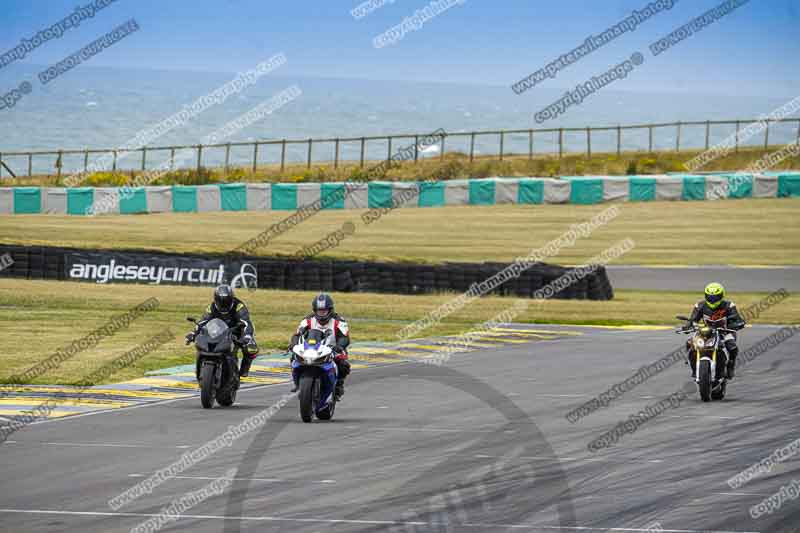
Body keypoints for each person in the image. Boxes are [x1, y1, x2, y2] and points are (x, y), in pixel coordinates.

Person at [185, 284, 259, 377]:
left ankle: (245, 368)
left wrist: (247, 336)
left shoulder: (239, 306)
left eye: (226, 302)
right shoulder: (212, 307)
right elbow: (203, 321)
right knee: (202, 344)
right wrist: (193, 333)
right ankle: (200, 369)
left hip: (236, 331)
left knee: (251, 348)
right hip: (219, 331)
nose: (223, 304)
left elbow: (246, 322)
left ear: (232, 298)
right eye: (220, 302)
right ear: (216, 299)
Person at [289, 293, 351, 400]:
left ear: (330, 310)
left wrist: (340, 346)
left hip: (333, 348)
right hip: (312, 348)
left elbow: (345, 337)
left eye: (324, 311)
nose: (322, 314)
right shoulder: (307, 319)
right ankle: (297, 382)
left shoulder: (339, 321)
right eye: (319, 311)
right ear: (315, 310)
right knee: (294, 357)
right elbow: (297, 334)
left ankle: (339, 385)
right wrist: (293, 344)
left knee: (343, 363)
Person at [683, 282, 746, 379]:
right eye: (710, 297)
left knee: (732, 347)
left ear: (722, 295)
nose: (713, 300)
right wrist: (688, 326)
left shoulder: (729, 305)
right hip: (705, 331)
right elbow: (693, 319)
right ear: (706, 296)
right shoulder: (700, 305)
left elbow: (738, 319)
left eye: (716, 297)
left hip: (725, 331)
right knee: (689, 343)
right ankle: (693, 366)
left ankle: (730, 365)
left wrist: (738, 324)